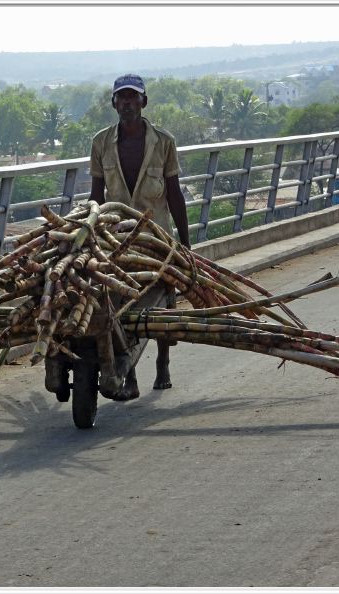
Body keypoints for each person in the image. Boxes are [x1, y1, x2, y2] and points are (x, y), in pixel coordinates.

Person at [89, 73, 191, 401]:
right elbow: (95, 196)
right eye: (122, 98)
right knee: (118, 303)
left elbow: (174, 194)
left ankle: (163, 361)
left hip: (156, 236)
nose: (128, 104)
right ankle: (129, 373)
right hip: (116, 238)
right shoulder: (101, 143)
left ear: (144, 102)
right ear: (114, 103)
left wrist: (185, 245)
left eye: (134, 98)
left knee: (161, 301)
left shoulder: (163, 142)